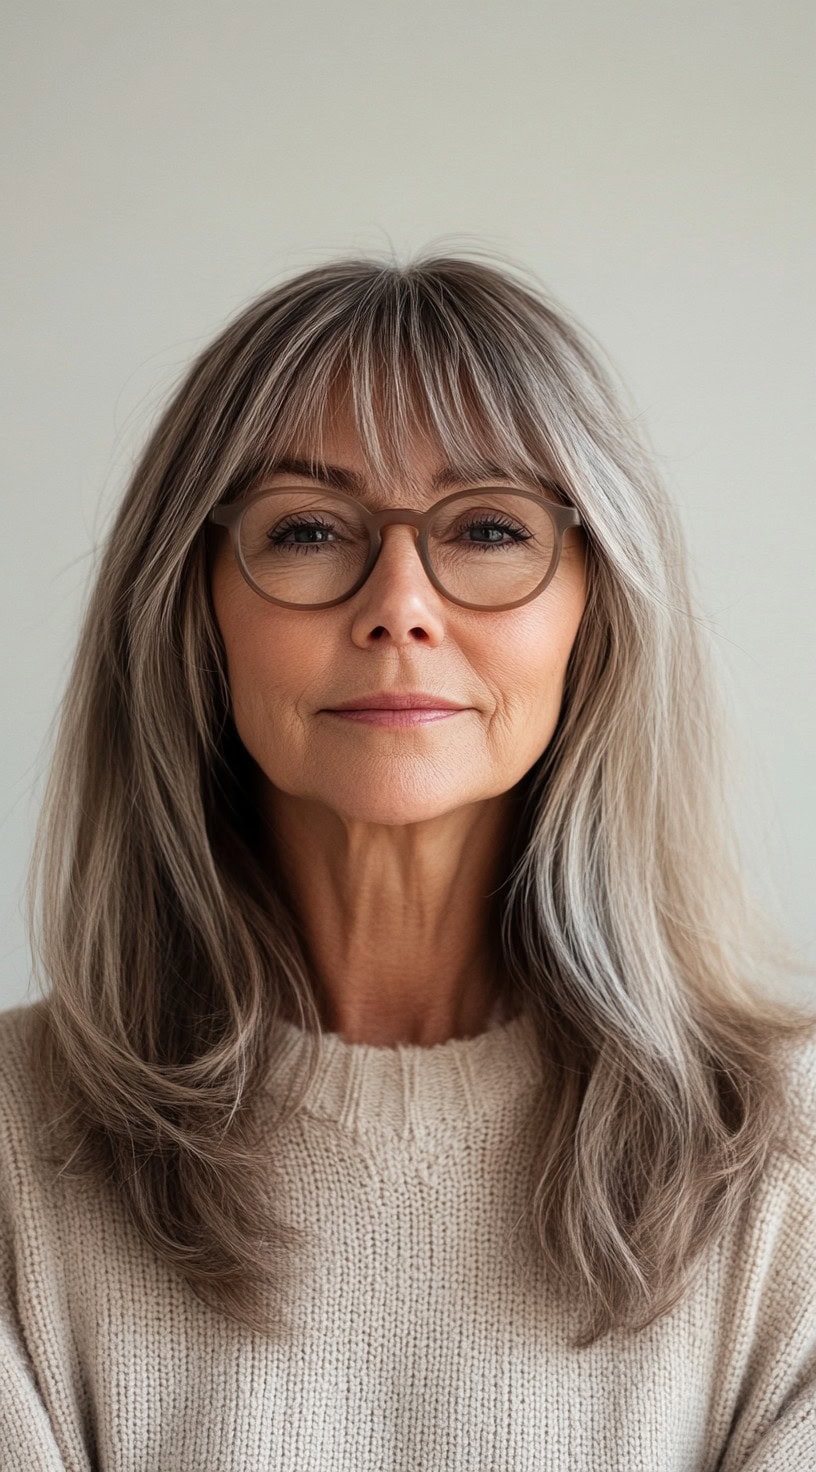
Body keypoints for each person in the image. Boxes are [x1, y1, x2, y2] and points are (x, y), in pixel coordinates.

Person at [2, 247, 815, 1470]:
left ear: (595, 605)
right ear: (192, 607)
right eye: (309, 529)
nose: (400, 603)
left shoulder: (790, 1158)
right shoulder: (15, 1147)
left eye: (488, 527)